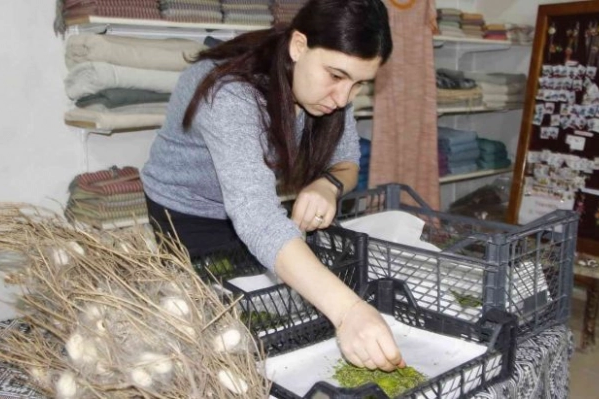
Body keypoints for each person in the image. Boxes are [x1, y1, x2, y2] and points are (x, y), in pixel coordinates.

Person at [141, 0, 404, 371]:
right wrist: (349, 312)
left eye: (360, 83)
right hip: (188, 213)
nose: (344, 98)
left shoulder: (331, 90)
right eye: (336, 76)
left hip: (253, 208)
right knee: (215, 332)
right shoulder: (231, 93)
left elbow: (347, 162)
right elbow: (258, 218)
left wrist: (328, 185)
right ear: (299, 46)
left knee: (273, 317)